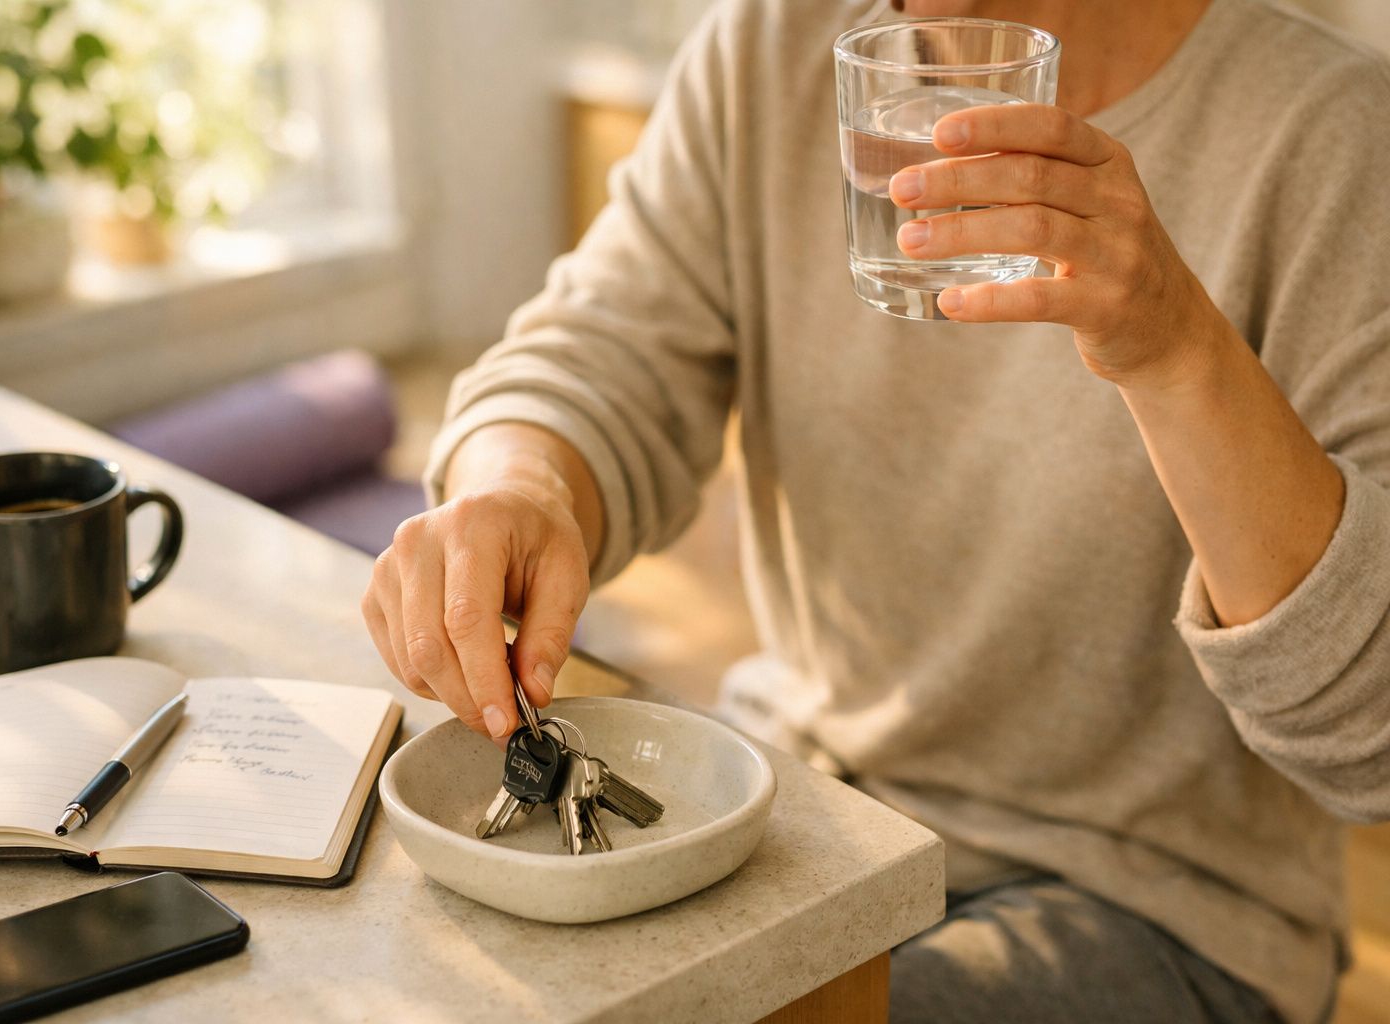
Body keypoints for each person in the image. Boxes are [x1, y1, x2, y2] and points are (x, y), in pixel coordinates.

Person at [361, 0, 1390, 1019]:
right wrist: (518, 484)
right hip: (810, 807)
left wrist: (1174, 349)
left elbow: (1373, 732)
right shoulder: (772, 45)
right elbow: (603, 345)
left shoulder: (1330, 130)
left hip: (1148, 897)